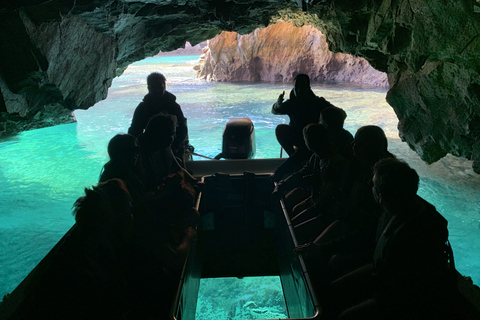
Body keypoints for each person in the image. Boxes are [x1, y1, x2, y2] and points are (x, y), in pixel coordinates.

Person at [325, 158, 455, 320]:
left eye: (372, 184)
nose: (369, 186)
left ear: (380, 196)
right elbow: (367, 236)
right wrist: (326, 247)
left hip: (406, 301)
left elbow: (402, 291)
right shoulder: (399, 206)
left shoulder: (409, 237)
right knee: (336, 287)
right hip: (388, 279)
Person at [128, 72, 188, 160]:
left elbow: (182, 128)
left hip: (173, 147)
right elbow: (135, 131)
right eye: (154, 87)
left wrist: (175, 147)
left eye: (159, 87)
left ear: (164, 86)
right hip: (150, 148)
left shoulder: (173, 106)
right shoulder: (143, 108)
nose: (157, 90)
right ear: (148, 88)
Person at [137, 113, 196, 193]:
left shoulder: (164, 147)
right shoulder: (139, 155)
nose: (174, 137)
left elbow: (177, 166)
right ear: (161, 134)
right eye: (172, 134)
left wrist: (194, 181)